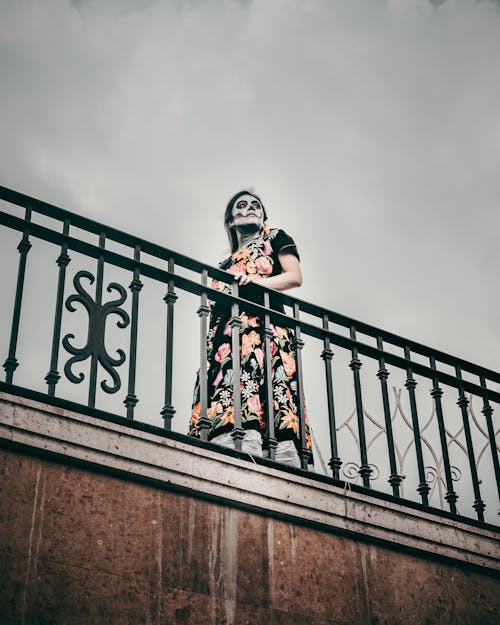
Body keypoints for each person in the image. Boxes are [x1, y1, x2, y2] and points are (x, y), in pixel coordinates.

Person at [188, 190, 312, 467]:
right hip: (226, 338)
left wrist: (254, 282)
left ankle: (272, 450)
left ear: (264, 216)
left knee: (269, 384)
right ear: (230, 221)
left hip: (265, 329)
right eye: (241, 206)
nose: (249, 208)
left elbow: (294, 277)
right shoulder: (225, 264)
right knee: (230, 385)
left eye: (255, 205)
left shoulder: (275, 238)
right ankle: (226, 441)